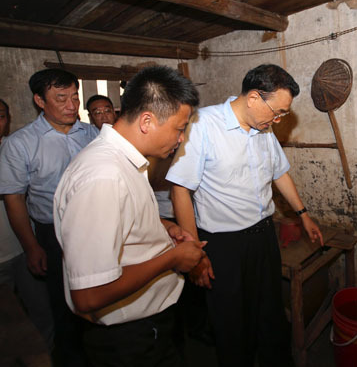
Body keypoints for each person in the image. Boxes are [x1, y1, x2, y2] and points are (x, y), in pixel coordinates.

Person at [167, 64, 324, 367]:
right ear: (253, 98)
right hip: (223, 245)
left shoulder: (264, 127)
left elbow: (280, 173)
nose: (278, 119)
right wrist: (195, 251)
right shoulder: (203, 125)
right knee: (232, 325)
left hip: (263, 236)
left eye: (283, 114)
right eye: (277, 111)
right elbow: (180, 190)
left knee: (270, 315)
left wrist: (303, 214)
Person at [53, 65, 206, 367]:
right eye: (179, 128)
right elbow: (88, 294)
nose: (181, 140)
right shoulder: (104, 175)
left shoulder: (124, 162)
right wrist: (172, 259)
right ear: (147, 121)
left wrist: (163, 227)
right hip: (128, 340)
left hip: (148, 327)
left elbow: (122, 218)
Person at [0, 69, 97, 366]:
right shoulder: (21, 143)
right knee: (62, 302)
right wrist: (31, 247)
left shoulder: (92, 134)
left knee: (97, 293)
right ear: (39, 101)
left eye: (74, 97)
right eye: (61, 98)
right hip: (52, 233)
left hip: (94, 227)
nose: (72, 105)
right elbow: (14, 199)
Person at [0, 98, 54, 348]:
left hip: (21, 249)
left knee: (42, 315)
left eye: (1, 115)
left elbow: (19, 200)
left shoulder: (14, 147)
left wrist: (32, 246)